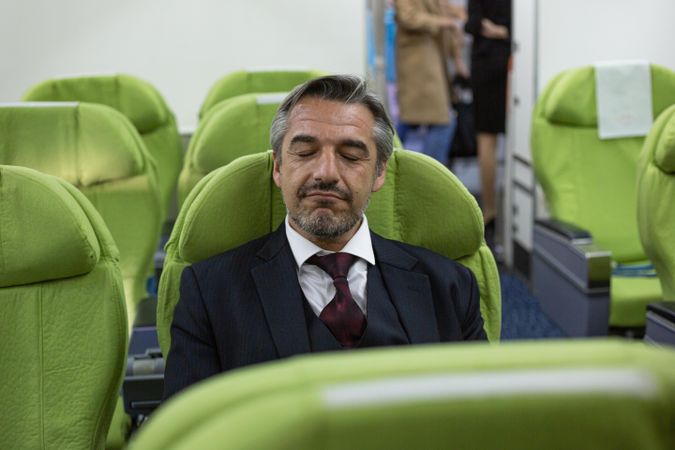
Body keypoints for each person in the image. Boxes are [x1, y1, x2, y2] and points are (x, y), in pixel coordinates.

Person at [163, 75, 487, 399]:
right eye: (305, 152)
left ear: (379, 172)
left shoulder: (450, 287)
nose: (326, 173)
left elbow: (482, 421)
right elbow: (189, 435)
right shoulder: (210, 294)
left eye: (350, 156)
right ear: (278, 168)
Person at [394, 0, 467, 166]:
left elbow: (443, 10)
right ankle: (428, 176)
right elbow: (408, 16)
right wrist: (446, 22)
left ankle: (395, 166)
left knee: (413, 120)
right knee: (442, 122)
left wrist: (456, 55)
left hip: (431, 58)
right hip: (419, 60)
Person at [465, 0, 511, 245]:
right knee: (513, 137)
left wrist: (489, 28)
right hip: (510, 60)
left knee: (486, 140)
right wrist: (503, 32)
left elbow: (471, 24)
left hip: (484, 63)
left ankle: (490, 211)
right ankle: (508, 209)